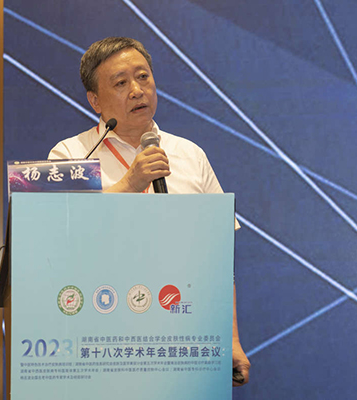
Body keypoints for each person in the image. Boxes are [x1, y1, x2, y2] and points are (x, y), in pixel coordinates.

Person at [48, 37, 250, 386]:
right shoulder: (71, 156)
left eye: (143, 77)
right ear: (95, 100)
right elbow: (54, 234)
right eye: (120, 83)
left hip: (181, 337)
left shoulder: (189, 155)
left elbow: (217, 257)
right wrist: (130, 183)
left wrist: (230, 339)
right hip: (98, 340)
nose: (137, 91)